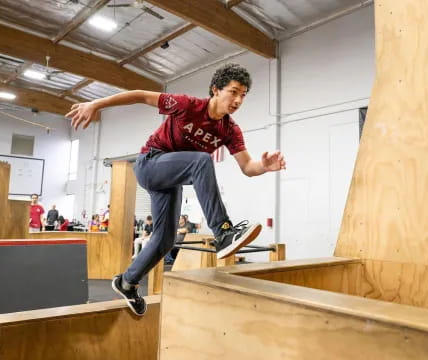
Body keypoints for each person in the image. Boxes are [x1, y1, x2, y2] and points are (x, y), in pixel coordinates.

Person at [67, 63, 287, 316]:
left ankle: (127, 282)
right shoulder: (187, 105)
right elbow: (140, 95)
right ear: (215, 90)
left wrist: (265, 166)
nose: (238, 100)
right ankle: (223, 233)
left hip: (171, 178)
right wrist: (96, 105)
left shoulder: (229, 129)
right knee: (200, 161)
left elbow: (248, 166)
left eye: (243, 95)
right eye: (234, 92)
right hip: (150, 163)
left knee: (165, 239)